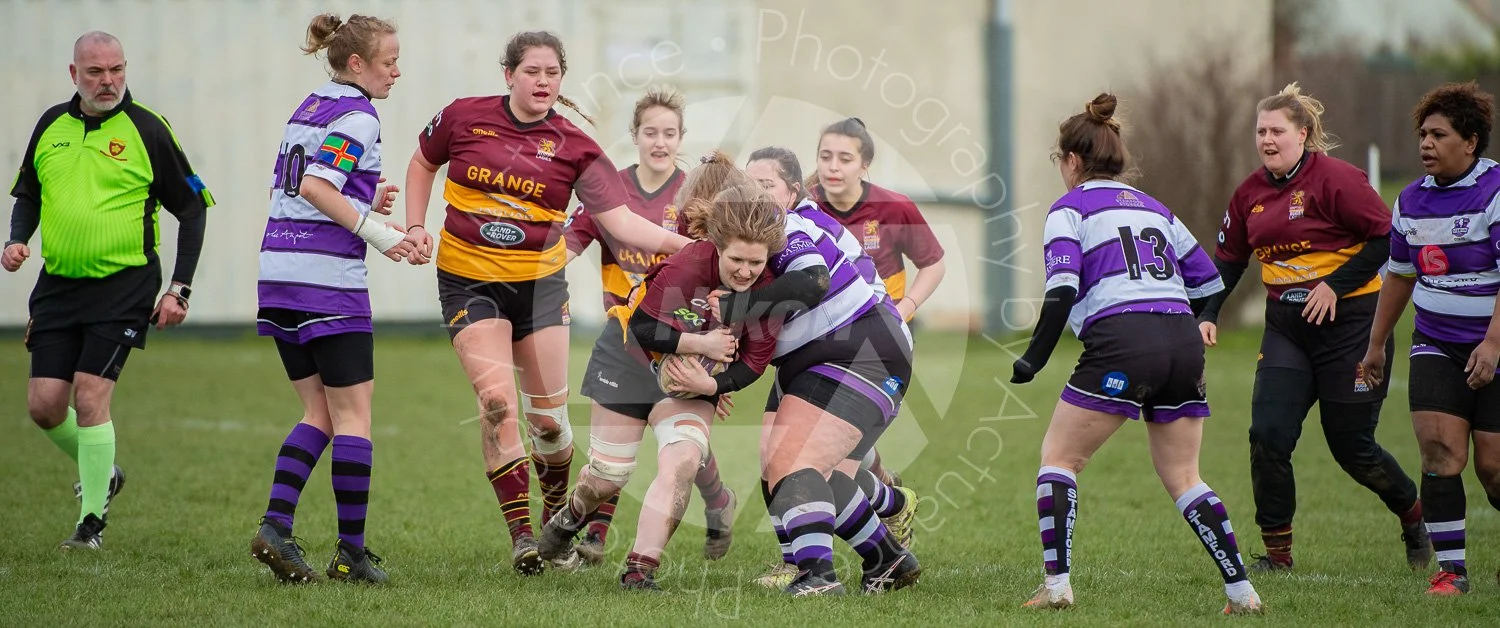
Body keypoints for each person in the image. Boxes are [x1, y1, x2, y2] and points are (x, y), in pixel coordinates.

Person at [402, 31, 690, 576]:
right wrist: (416, 226)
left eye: (552, 73)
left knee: (551, 427)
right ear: (508, 74)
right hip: (469, 284)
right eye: (532, 71)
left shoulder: (576, 146)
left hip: (539, 292)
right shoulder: (463, 117)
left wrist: (692, 248)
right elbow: (421, 163)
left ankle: (555, 520)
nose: (542, 81)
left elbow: (623, 223)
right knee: (496, 403)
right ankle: (522, 539)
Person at [1010, 93, 1260, 614]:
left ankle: (1057, 588)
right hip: (1183, 342)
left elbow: (1061, 289)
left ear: (1071, 161)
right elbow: (1209, 283)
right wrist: (1197, 323)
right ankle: (1242, 593)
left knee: (1060, 459)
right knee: (1185, 477)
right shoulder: (1155, 208)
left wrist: (1034, 357)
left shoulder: (1069, 210)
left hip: (1124, 343)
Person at [1199, 82, 1427, 572]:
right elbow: (1229, 261)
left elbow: (1387, 239)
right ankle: (1277, 556)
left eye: (1277, 131)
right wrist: (1208, 312)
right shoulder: (1249, 194)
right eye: (1261, 131)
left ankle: (1414, 517)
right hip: (1287, 330)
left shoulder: (1338, 180)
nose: (1267, 140)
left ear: (1302, 134)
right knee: (1267, 435)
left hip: (1352, 328)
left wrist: (1335, 286)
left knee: (1353, 448)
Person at [4, 31, 213, 550]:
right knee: (44, 406)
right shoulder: (50, 125)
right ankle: (103, 470)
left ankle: (90, 526)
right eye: (96, 72)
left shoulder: (148, 128)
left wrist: (179, 289)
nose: (108, 81)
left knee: (90, 393)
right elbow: (28, 193)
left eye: (116, 69)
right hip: (58, 286)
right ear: (73, 74)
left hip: (125, 285)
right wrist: (16, 239)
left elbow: (192, 207)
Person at [540, 166, 795, 591]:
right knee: (607, 477)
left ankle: (639, 571)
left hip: (688, 382)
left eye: (756, 262)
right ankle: (570, 518)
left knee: (683, 462)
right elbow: (642, 328)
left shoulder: (768, 288)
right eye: (736, 260)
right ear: (717, 247)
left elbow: (753, 363)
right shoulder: (689, 263)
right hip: (627, 359)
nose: (745, 271)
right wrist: (702, 344)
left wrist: (712, 386)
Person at [247, 13, 415, 585]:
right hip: (327, 280)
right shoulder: (359, 115)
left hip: (278, 273)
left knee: (318, 412)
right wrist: (381, 235)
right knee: (353, 416)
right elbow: (318, 185)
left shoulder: (311, 105)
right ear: (357, 64)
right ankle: (351, 556)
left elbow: (310, 184)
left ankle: (276, 527)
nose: (397, 71)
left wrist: (368, 197)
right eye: (390, 61)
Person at [726, 154, 923, 596]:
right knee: (780, 463)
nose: (754, 196)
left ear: (793, 192)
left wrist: (731, 308)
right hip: (814, 353)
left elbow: (812, 280)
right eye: (747, 186)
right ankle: (882, 558)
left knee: (798, 463)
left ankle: (817, 575)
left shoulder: (789, 225)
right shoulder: (752, 236)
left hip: (862, 348)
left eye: (765, 185)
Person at [563, 87, 736, 565]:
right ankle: (596, 535)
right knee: (621, 436)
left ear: (681, 138)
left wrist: (719, 369)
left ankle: (716, 499)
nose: (660, 142)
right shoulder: (611, 191)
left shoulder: (696, 193)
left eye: (670, 133)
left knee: (682, 441)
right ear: (635, 135)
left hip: (684, 335)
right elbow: (568, 244)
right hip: (627, 331)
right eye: (650, 132)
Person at [1359, 82, 1500, 597]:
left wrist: (1492, 344)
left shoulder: (1495, 192)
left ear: (1471, 141)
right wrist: (1376, 344)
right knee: (1440, 453)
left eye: (1439, 134)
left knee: (1494, 468)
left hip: (1495, 344)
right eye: (1423, 133)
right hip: (1436, 342)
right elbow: (1399, 276)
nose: (1426, 143)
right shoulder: (1411, 201)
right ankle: (1452, 572)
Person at [807, 118, 946, 322]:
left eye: (845, 159)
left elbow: (934, 265)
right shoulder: (802, 208)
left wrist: (904, 309)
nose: (833, 167)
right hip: (824, 329)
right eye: (825, 157)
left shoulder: (895, 207)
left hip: (885, 326)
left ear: (865, 165)